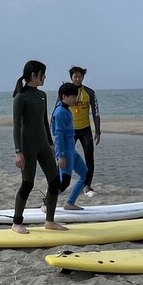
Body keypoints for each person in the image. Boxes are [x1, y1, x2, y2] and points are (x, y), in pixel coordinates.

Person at [11, 60, 67, 234]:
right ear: (34, 75)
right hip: (27, 147)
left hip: (43, 145)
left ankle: (49, 221)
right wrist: (18, 152)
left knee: (54, 181)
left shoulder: (42, 95)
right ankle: (16, 222)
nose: (45, 77)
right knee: (27, 183)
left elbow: (44, 121)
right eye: (43, 74)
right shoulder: (21, 97)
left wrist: (50, 143)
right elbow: (16, 126)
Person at [51, 82, 88, 210]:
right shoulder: (60, 112)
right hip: (65, 152)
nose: (75, 99)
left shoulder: (66, 109)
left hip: (72, 150)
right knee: (64, 181)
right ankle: (47, 203)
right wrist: (60, 155)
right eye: (73, 96)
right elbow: (58, 135)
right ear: (64, 96)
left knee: (84, 174)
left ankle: (69, 203)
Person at [68, 66, 101, 196]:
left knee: (89, 157)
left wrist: (97, 131)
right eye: (75, 76)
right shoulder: (65, 92)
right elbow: (57, 111)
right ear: (71, 77)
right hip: (69, 130)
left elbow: (96, 112)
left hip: (85, 130)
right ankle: (58, 184)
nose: (77, 79)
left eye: (80, 76)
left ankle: (87, 186)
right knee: (64, 156)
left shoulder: (90, 92)